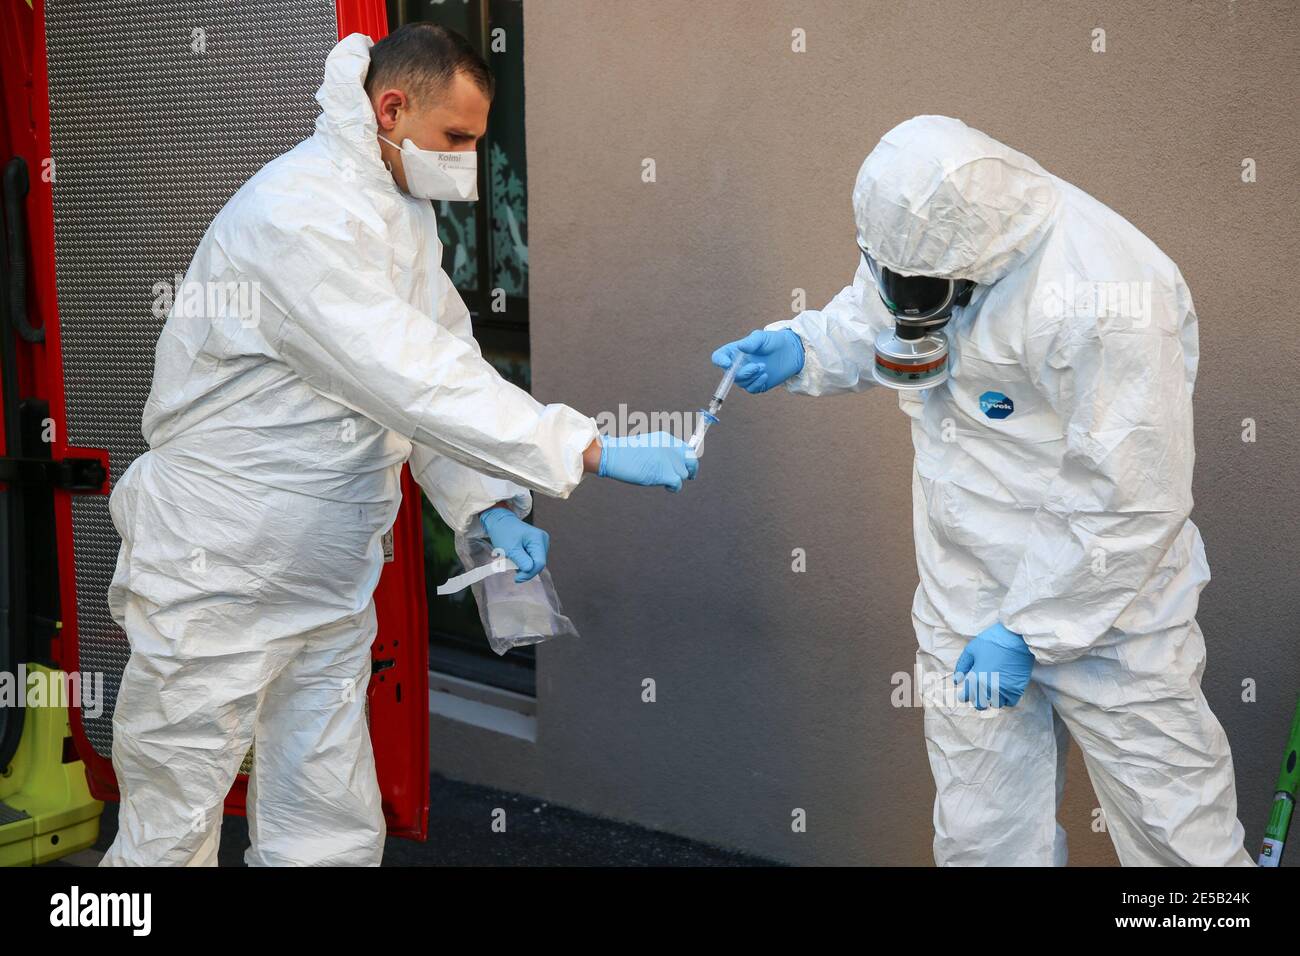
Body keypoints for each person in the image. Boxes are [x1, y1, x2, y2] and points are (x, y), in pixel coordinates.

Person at [101, 25, 696, 867]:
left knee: (327, 819)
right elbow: (408, 375)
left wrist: (486, 503)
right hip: (218, 568)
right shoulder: (296, 215)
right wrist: (587, 448)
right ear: (391, 107)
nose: (468, 160)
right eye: (457, 137)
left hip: (326, 574)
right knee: (172, 818)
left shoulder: (399, 218)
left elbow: (442, 360)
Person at [712, 115, 1252, 866]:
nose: (906, 294)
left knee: (1175, 837)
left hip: (1110, 615)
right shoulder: (921, 239)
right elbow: (880, 317)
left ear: (979, 257)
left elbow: (1131, 495)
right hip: (966, 601)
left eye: (929, 287)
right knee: (982, 840)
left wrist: (1031, 628)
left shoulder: (1110, 294)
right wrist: (805, 346)